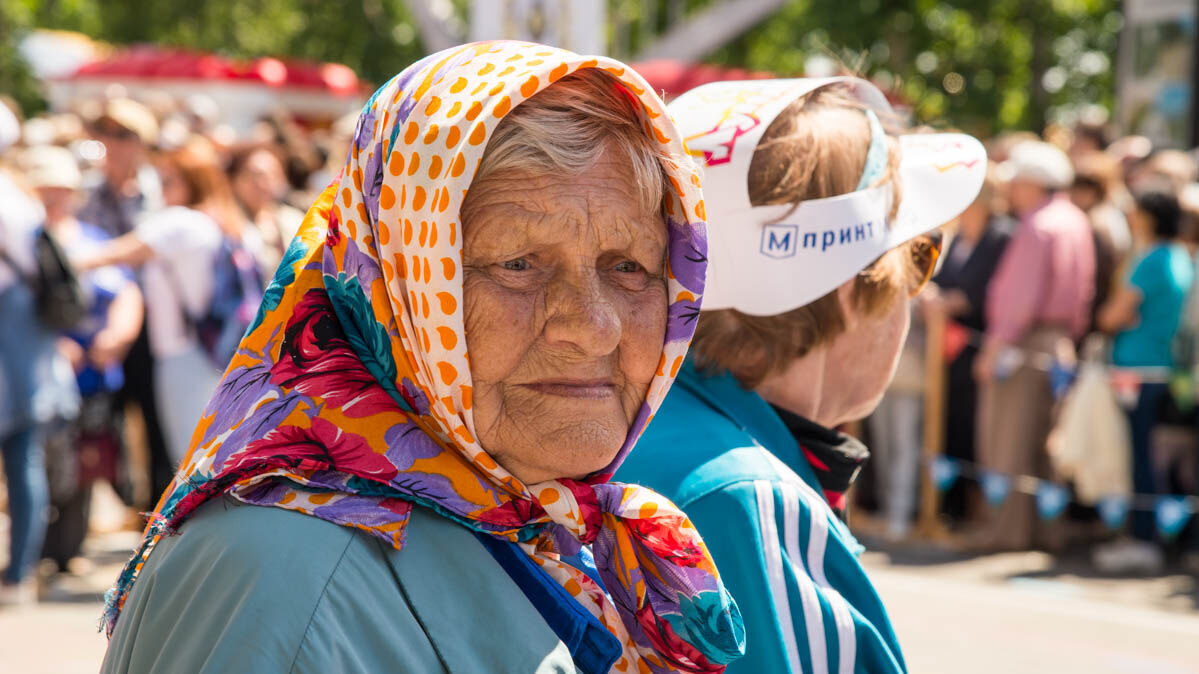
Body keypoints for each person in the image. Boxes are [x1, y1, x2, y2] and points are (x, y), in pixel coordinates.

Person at [100, 42, 744, 673]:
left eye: (629, 266)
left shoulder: (530, 520)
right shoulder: (285, 581)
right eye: (518, 264)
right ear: (395, 288)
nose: (593, 328)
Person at [616, 77, 987, 673]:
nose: (915, 295)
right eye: (917, 257)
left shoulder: (617, 426)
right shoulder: (747, 500)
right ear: (848, 286)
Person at [74, 140, 261, 466]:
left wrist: (54, 260)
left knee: (190, 461)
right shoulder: (233, 224)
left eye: (168, 181)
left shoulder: (180, 222)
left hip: (185, 354)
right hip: (225, 350)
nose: (161, 190)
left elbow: (111, 254)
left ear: (192, 182)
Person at [20, 145, 144, 572]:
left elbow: (127, 292)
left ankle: (69, 549)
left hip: (92, 374)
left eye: (62, 190)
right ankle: (36, 549)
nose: (55, 198)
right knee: (43, 461)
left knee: (87, 462)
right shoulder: (22, 243)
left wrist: (117, 335)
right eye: (46, 190)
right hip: (39, 373)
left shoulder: (94, 241)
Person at [974, 140, 1096, 552]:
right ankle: (1045, 531)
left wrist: (995, 348)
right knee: (1045, 442)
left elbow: (1020, 300)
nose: (1011, 191)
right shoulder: (1076, 221)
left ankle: (1006, 532)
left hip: (1024, 343)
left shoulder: (1037, 226)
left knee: (1008, 441)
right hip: (1060, 342)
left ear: (1033, 184)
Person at [1094, 190, 1194, 573]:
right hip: (1161, 370)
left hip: (1139, 372)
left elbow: (1112, 316)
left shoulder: (1151, 260)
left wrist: (1114, 315)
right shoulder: (1179, 257)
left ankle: (1142, 538)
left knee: (1142, 460)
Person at [0, 131, 80, 605]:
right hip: (26, 341)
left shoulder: (12, 197)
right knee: (25, 455)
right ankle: (20, 574)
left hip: (15, 338)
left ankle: (18, 573)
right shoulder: (20, 199)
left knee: (25, 454)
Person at [78, 97, 172, 502]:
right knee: (100, 419)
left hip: (155, 324)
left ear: (141, 142)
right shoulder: (86, 194)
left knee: (156, 423)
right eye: (104, 133)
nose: (111, 143)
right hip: (100, 322)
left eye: (122, 134)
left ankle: (154, 519)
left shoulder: (162, 193)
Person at [925, 168, 1013, 521]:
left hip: (977, 341)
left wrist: (949, 302)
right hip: (946, 343)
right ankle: (949, 505)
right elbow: (943, 279)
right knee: (947, 421)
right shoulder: (960, 234)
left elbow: (986, 289)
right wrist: (933, 297)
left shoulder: (1001, 236)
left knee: (970, 423)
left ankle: (970, 508)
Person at [228, 143, 304, 275]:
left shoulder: (294, 220)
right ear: (235, 180)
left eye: (273, 174)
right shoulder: (227, 225)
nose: (263, 183)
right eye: (254, 175)